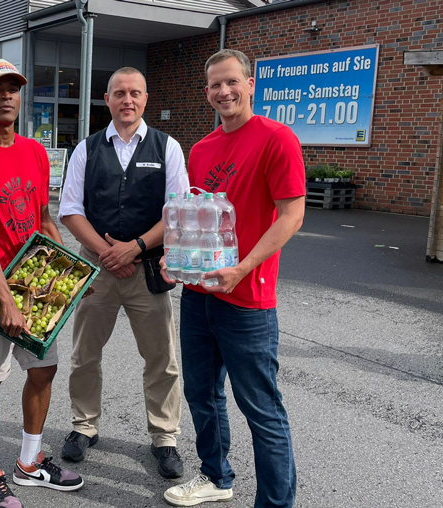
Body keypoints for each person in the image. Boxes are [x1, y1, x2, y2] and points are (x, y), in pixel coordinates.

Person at [162, 49, 305, 508]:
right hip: (199, 297)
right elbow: (195, 220)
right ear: (206, 93)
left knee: (261, 409)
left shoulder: (276, 139)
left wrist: (243, 267)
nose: (224, 92)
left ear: (250, 84)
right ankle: (216, 476)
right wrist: (174, 261)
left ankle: (275, 503)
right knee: (201, 395)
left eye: (231, 82)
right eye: (215, 86)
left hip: (248, 301)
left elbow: (292, 215)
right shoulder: (202, 149)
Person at [0, 59, 84, 508]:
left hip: (34, 284)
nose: (7, 95)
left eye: (13, 88)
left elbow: (43, 218)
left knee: (44, 370)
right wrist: (4, 298)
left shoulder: (34, 151)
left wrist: (69, 273)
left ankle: (29, 463)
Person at [58, 67, 189, 478]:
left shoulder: (167, 147)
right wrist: (107, 252)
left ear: (145, 99)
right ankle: (84, 425)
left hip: (147, 267)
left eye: (134, 93)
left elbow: (178, 211)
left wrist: (135, 247)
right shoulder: (87, 148)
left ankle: (164, 436)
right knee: (84, 354)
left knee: (161, 357)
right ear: (107, 99)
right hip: (96, 268)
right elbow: (70, 209)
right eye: (119, 93)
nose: (127, 100)